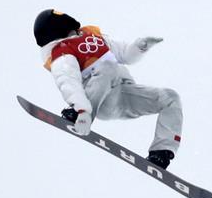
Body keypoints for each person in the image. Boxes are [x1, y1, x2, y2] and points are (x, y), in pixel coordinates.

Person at [33, 9, 183, 169]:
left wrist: (140, 47)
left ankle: (161, 153)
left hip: (125, 94)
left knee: (170, 97)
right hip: (100, 100)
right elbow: (67, 80)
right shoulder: (62, 50)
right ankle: (80, 114)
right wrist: (81, 109)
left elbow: (124, 54)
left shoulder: (92, 35)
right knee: (108, 66)